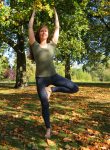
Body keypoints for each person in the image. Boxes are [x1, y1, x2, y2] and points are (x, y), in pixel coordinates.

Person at [28, 8, 79, 139]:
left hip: (53, 76)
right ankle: (48, 129)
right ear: (39, 34)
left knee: (74, 88)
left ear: (48, 33)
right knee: (45, 104)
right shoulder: (35, 45)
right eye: (41, 30)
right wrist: (33, 13)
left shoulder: (52, 45)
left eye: (46, 30)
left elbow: (57, 27)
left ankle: (53, 90)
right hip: (40, 80)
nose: (44, 31)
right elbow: (30, 27)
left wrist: (56, 13)